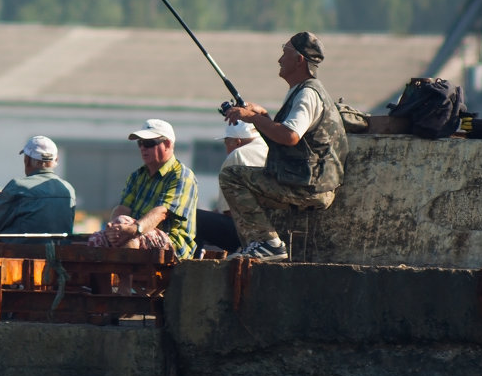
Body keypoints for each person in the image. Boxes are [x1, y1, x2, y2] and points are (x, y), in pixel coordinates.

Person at [218, 31, 348, 261]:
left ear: (299, 60)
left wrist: (252, 118)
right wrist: (264, 115)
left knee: (232, 177)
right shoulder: (302, 91)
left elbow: (290, 136)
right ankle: (261, 244)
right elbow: (286, 135)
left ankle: (267, 244)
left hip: (310, 186)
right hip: (306, 180)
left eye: (284, 53)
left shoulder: (307, 94)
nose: (280, 60)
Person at [87, 118, 199, 259]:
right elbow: (123, 208)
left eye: (149, 143)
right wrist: (113, 230)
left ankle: (126, 281)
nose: (143, 148)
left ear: (167, 144)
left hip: (173, 243)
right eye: (140, 143)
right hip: (137, 232)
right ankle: (104, 281)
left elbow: (161, 212)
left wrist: (134, 229)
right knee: (96, 240)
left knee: (131, 238)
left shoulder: (182, 176)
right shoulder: (137, 176)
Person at [0, 135, 76, 240]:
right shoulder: (68, 190)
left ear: (27, 160)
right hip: (59, 255)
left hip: (18, 254)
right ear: (55, 160)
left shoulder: (19, 187)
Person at [196, 120, 267, 256]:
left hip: (249, 235)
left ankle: (190, 267)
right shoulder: (270, 148)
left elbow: (228, 212)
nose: (226, 149)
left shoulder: (237, 154)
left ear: (237, 142)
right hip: (274, 235)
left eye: (226, 143)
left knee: (194, 218)